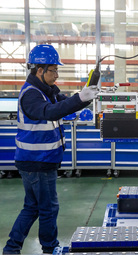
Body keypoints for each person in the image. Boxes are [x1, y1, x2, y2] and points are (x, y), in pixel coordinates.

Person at [3, 44, 98, 254]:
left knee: (32, 207)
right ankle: (49, 248)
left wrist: (84, 97)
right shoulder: (31, 95)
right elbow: (50, 112)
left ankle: (11, 248)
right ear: (40, 70)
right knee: (48, 208)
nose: (57, 74)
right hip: (38, 161)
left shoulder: (47, 91)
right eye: (53, 70)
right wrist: (81, 98)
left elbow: (64, 103)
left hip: (37, 160)